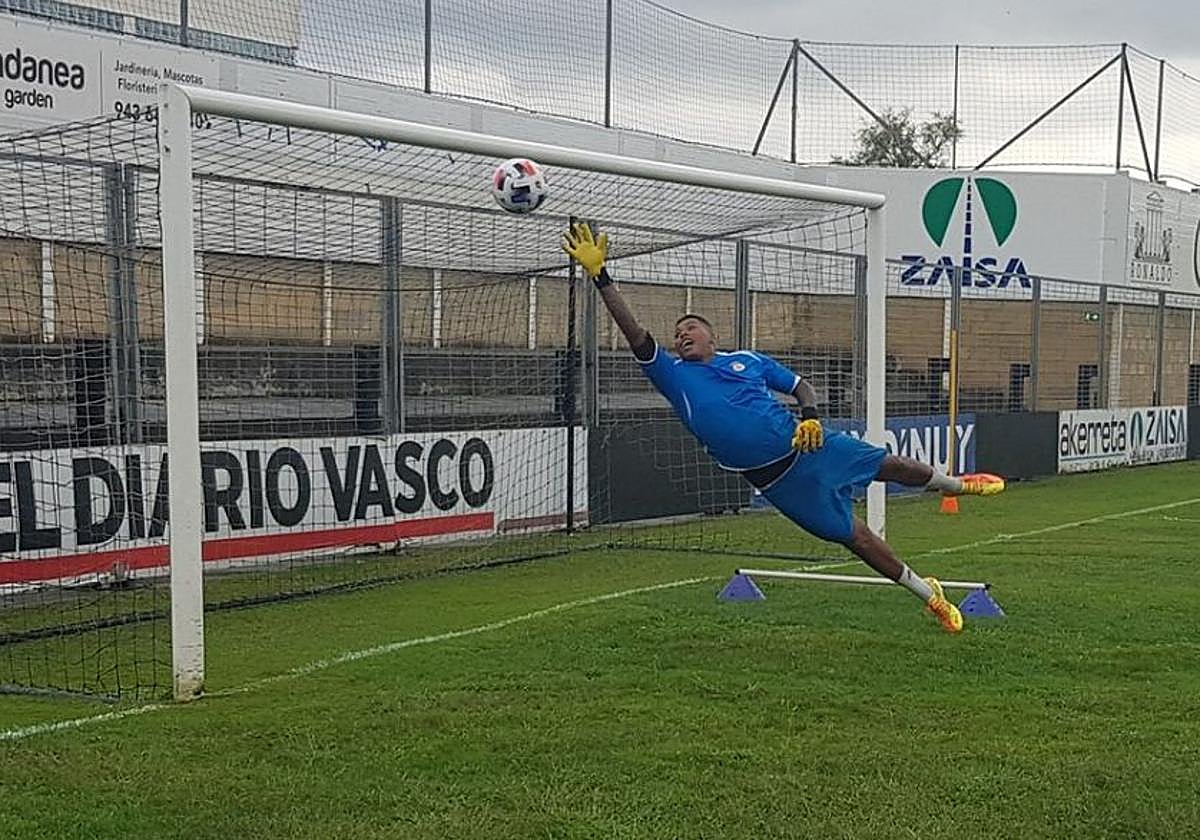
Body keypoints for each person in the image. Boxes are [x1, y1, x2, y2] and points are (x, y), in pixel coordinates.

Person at [562, 222, 1004, 633]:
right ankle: (930, 595)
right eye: (677, 332)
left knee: (889, 466)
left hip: (810, 448)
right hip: (779, 483)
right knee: (856, 539)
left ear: (712, 337)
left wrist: (810, 416)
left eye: (690, 327)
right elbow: (635, 332)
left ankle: (955, 485)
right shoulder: (672, 375)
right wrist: (601, 276)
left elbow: (800, 386)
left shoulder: (749, 360)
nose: (682, 334)